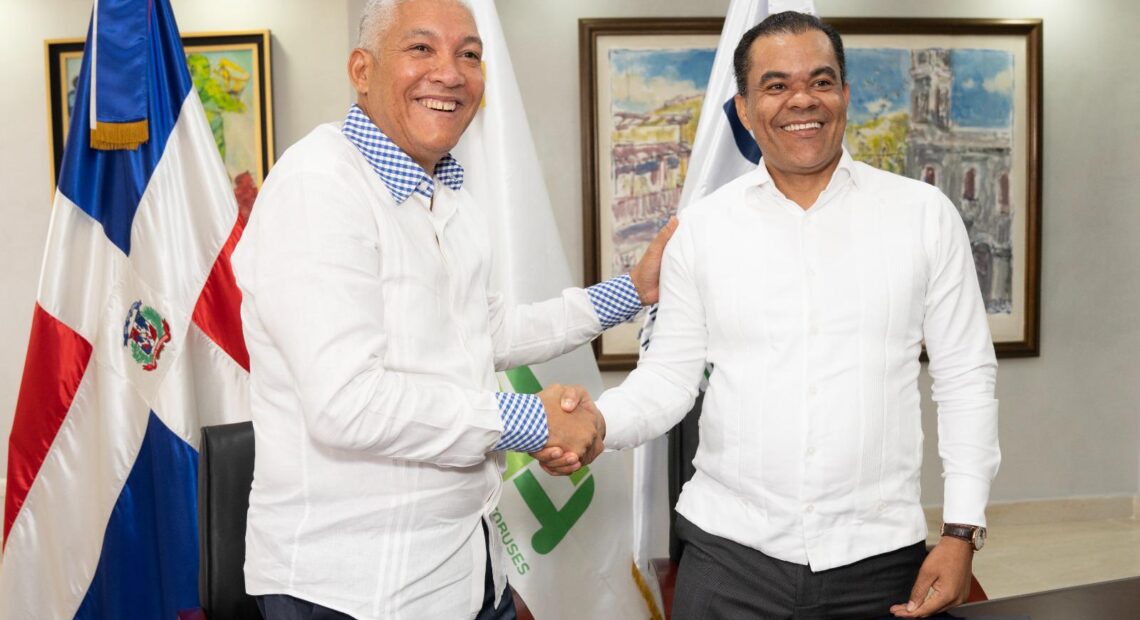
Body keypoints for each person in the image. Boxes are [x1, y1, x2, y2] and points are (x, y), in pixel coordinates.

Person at [538, 11, 999, 619]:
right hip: (728, 558)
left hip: (880, 559)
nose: (801, 99)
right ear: (745, 108)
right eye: (776, 85)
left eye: (820, 81)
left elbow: (965, 377)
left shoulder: (924, 215)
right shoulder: (702, 229)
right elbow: (669, 378)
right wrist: (599, 421)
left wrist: (962, 530)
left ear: (845, 95)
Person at [231, 0, 674, 618]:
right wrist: (534, 420)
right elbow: (347, 403)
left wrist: (632, 291)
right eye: (421, 48)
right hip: (354, 591)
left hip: (466, 569)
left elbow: (485, 331)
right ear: (362, 70)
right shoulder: (319, 186)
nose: (450, 73)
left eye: (469, 54)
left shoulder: (444, 191)